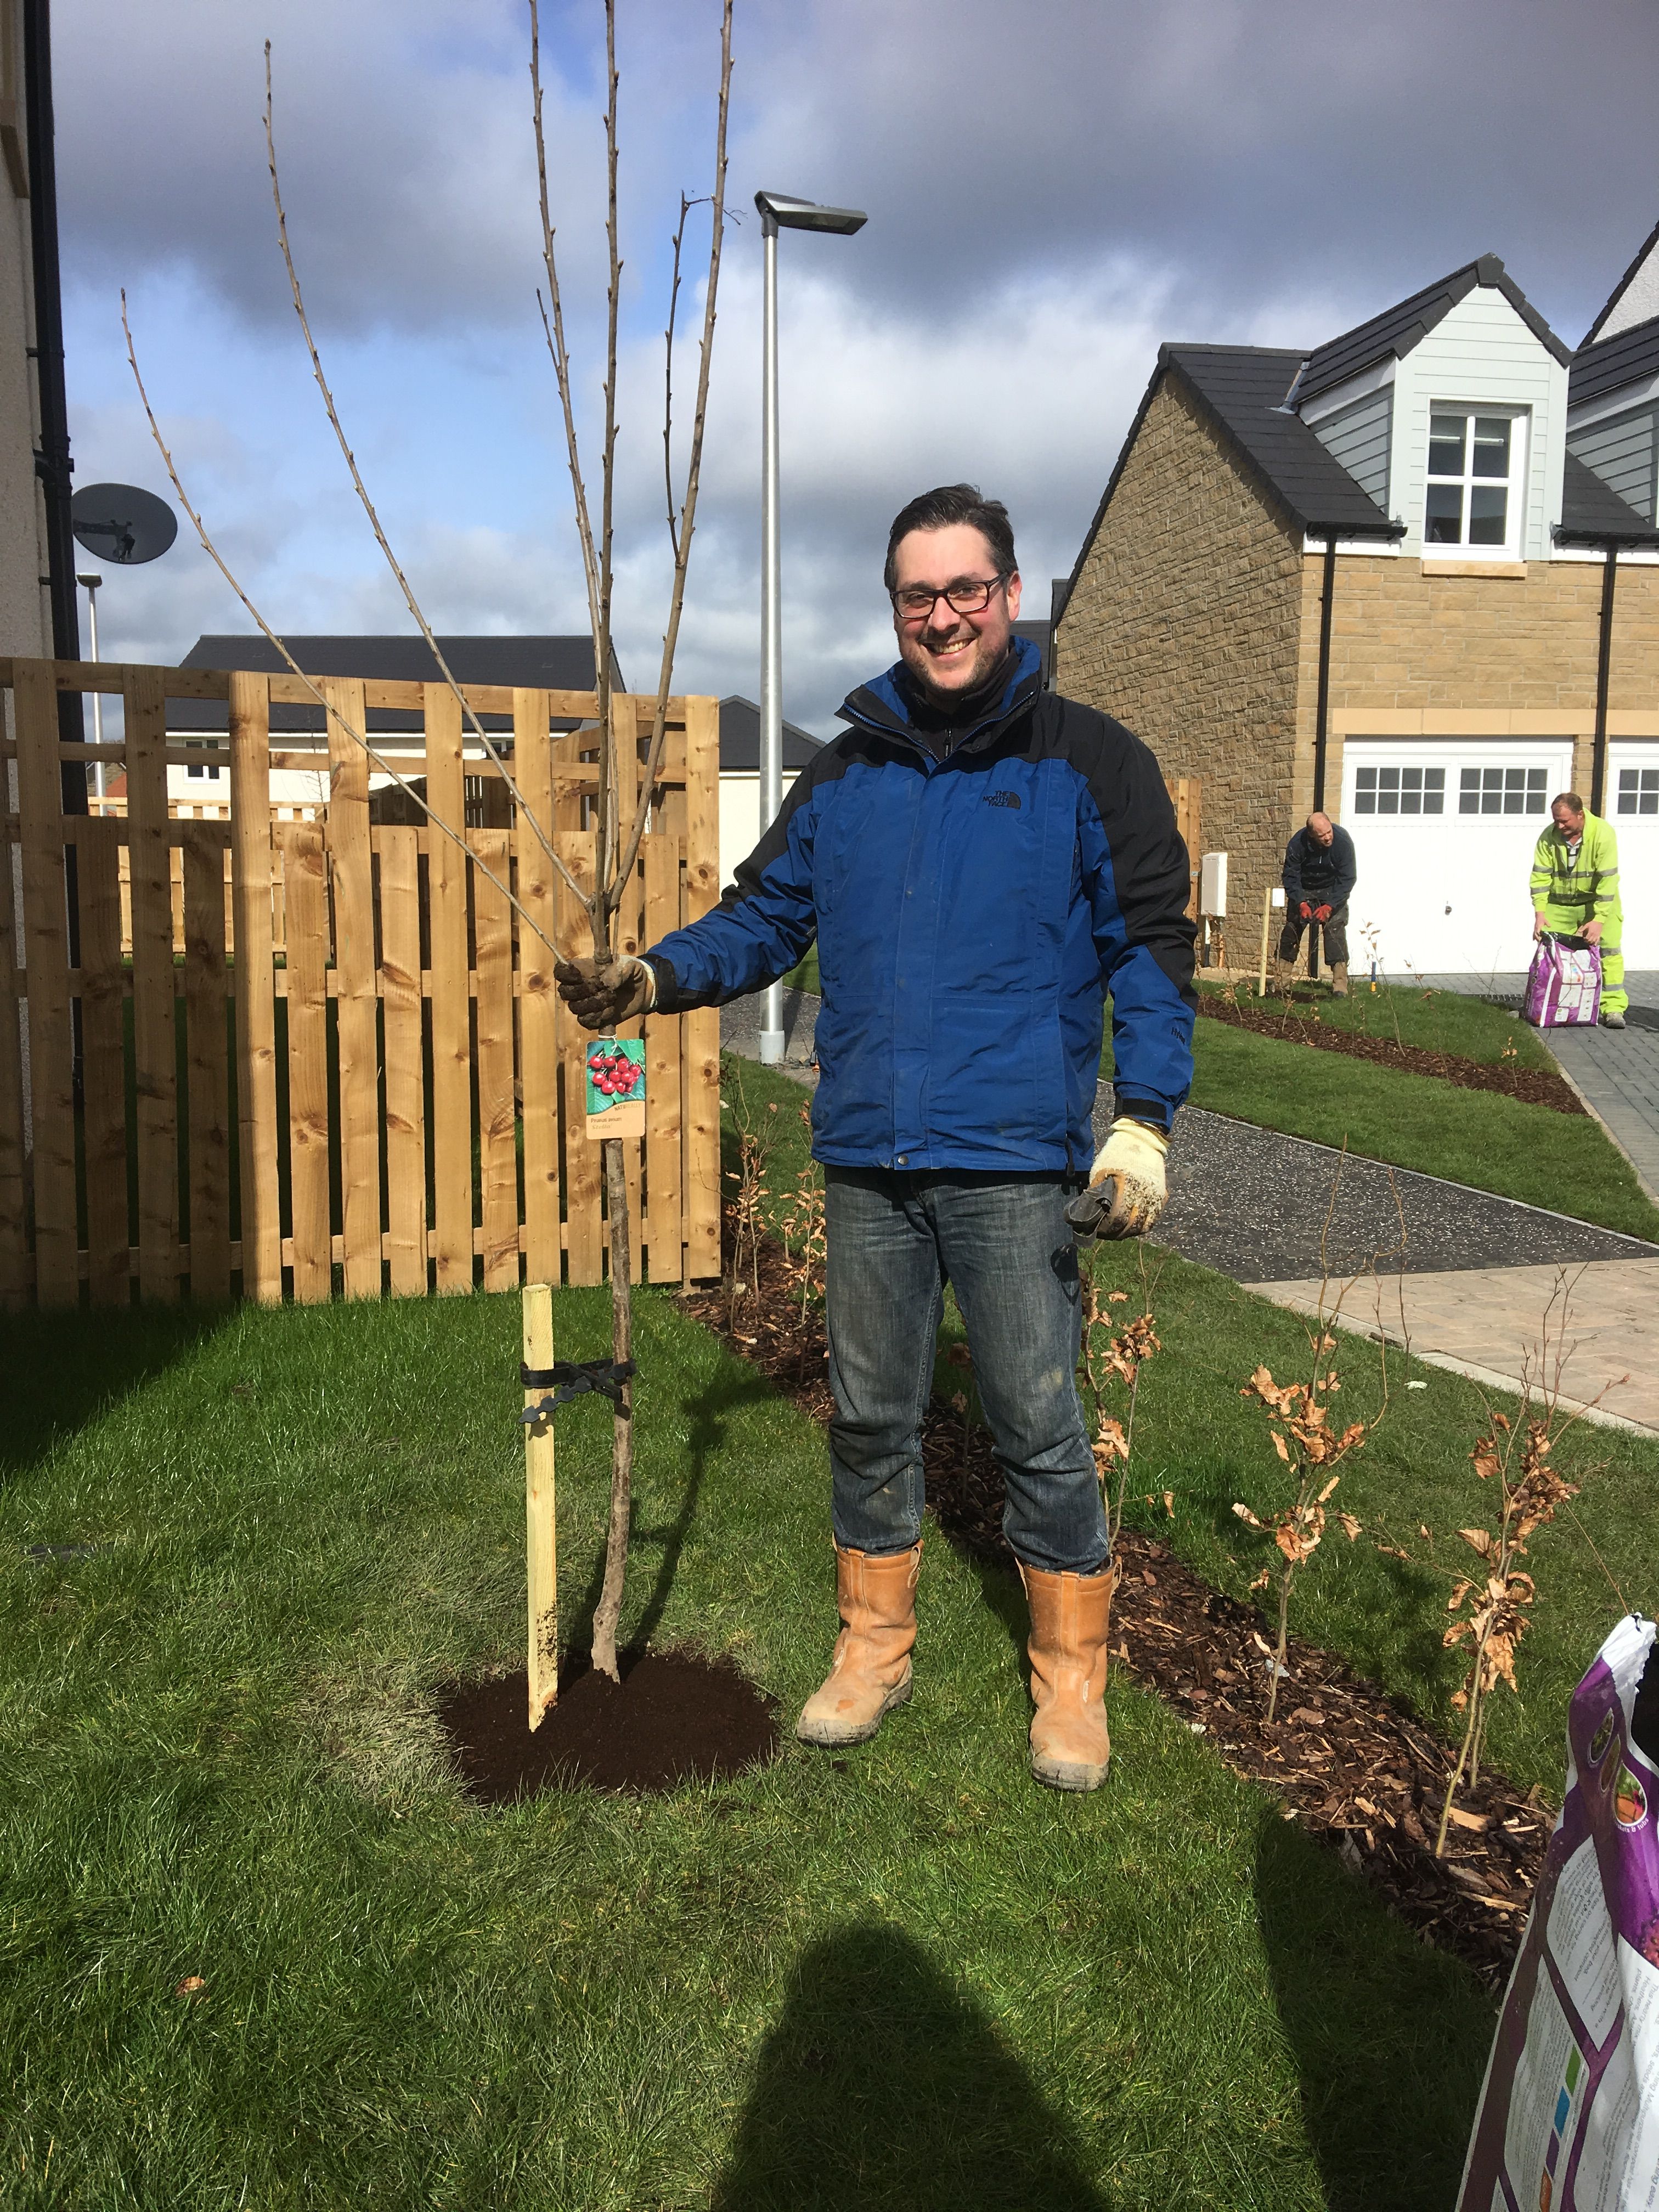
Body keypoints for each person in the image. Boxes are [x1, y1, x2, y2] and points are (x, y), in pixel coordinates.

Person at [555, 484, 1195, 1794]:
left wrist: (1142, 1122)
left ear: (1011, 596)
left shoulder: (1090, 761)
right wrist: (652, 979)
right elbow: (766, 915)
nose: (945, 616)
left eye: (968, 590)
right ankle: (874, 1644)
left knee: (1034, 1417)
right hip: (869, 1162)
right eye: (920, 596)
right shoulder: (845, 770)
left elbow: (1152, 947)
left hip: (1016, 1162)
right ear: (897, 610)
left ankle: (1072, 1683)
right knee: (870, 1417)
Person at [1531, 793, 1626, 1029]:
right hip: (1560, 903)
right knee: (1549, 955)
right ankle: (1542, 1006)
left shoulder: (1602, 834)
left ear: (1580, 815)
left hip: (1598, 902)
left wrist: (1599, 919)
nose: (1559, 826)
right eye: (1556, 820)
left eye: (1565, 821)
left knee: (1609, 953)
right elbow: (1541, 877)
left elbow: (1608, 880)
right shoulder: (1548, 837)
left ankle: (1613, 1008)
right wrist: (1540, 913)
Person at [1278, 811, 1356, 995]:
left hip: (1333, 890)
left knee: (1335, 933)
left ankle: (1340, 986)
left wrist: (1330, 905)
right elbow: (1290, 876)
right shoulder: (1297, 844)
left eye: (1329, 832)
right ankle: (1282, 982)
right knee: (1291, 931)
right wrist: (1301, 903)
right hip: (1304, 889)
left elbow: (1348, 878)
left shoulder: (1343, 841)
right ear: (1312, 834)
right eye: (1322, 836)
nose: (1328, 837)